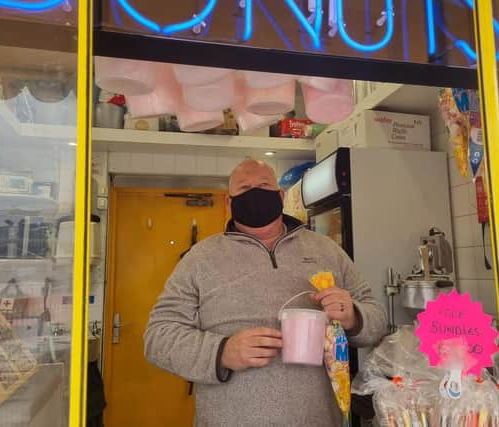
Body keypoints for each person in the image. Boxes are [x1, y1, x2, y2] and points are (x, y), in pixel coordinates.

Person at [144, 159, 387, 427]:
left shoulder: (326, 250)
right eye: (245, 187)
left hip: (317, 419)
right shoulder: (200, 258)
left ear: (280, 196)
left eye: (263, 185)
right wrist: (221, 352)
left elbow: (377, 320)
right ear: (229, 202)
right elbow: (158, 337)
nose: (255, 193)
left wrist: (353, 316)